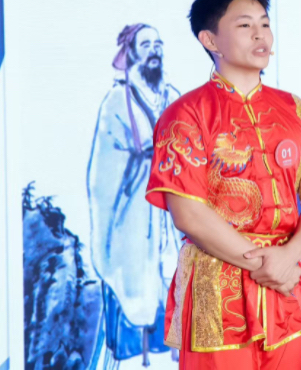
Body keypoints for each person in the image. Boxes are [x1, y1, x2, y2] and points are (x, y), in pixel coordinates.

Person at [145, 0, 301, 369]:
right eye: (244, 25)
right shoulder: (187, 114)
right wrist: (271, 267)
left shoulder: (294, 110)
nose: (260, 35)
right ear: (210, 40)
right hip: (217, 291)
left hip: (283, 294)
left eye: (265, 24)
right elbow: (189, 214)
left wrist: (290, 256)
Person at [88, 24, 181, 368]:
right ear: (132, 54)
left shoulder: (173, 95)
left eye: (158, 44)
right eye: (146, 45)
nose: (154, 50)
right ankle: (136, 358)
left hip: (173, 209)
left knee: (174, 272)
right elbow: (106, 168)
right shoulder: (117, 101)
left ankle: (175, 353)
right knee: (139, 278)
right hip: (135, 210)